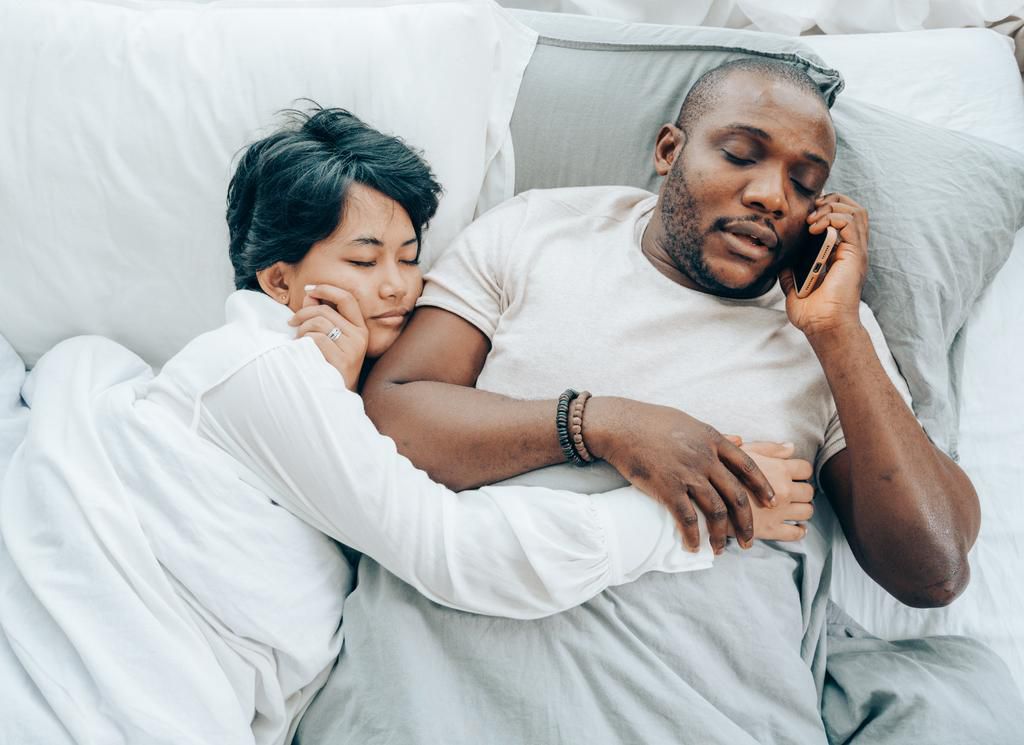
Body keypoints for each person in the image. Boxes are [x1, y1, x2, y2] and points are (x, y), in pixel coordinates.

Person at [0, 106, 814, 745]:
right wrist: (699, 516)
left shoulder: (323, 394)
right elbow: (454, 552)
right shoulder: (266, 370)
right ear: (281, 281)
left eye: (409, 252)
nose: (398, 285)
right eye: (362, 260)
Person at [296, 61, 1023, 743]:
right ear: (670, 148)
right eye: (741, 154)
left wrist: (838, 332)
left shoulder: (830, 331)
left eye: (805, 184)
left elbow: (933, 569)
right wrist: (603, 424)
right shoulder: (539, 230)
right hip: (459, 665)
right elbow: (391, 412)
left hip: (693, 698)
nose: (773, 196)